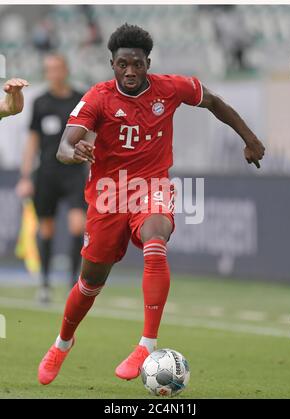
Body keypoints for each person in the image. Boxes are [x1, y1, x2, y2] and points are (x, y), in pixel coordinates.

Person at [38, 24, 265, 385]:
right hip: (108, 195)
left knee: (156, 236)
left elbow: (215, 102)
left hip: (152, 186)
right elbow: (64, 146)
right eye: (123, 64)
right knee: (89, 283)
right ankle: (62, 344)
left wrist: (250, 139)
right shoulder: (98, 97)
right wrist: (75, 151)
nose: (130, 72)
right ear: (112, 63)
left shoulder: (172, 88)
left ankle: (146, 344)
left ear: (148, 63)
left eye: (138, 64)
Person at [16, 54, 86, 303]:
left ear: (65, 70)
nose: (53, 73)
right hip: (46, 173)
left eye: (57, 68)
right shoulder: (40, 102)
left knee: (78, 225)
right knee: (46, 228)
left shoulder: (80, 99)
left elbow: (90, 135)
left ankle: (72, 284)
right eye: (49, 69)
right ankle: (44, 284)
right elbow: (33, 140)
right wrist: (25, 176)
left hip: (74, 172)